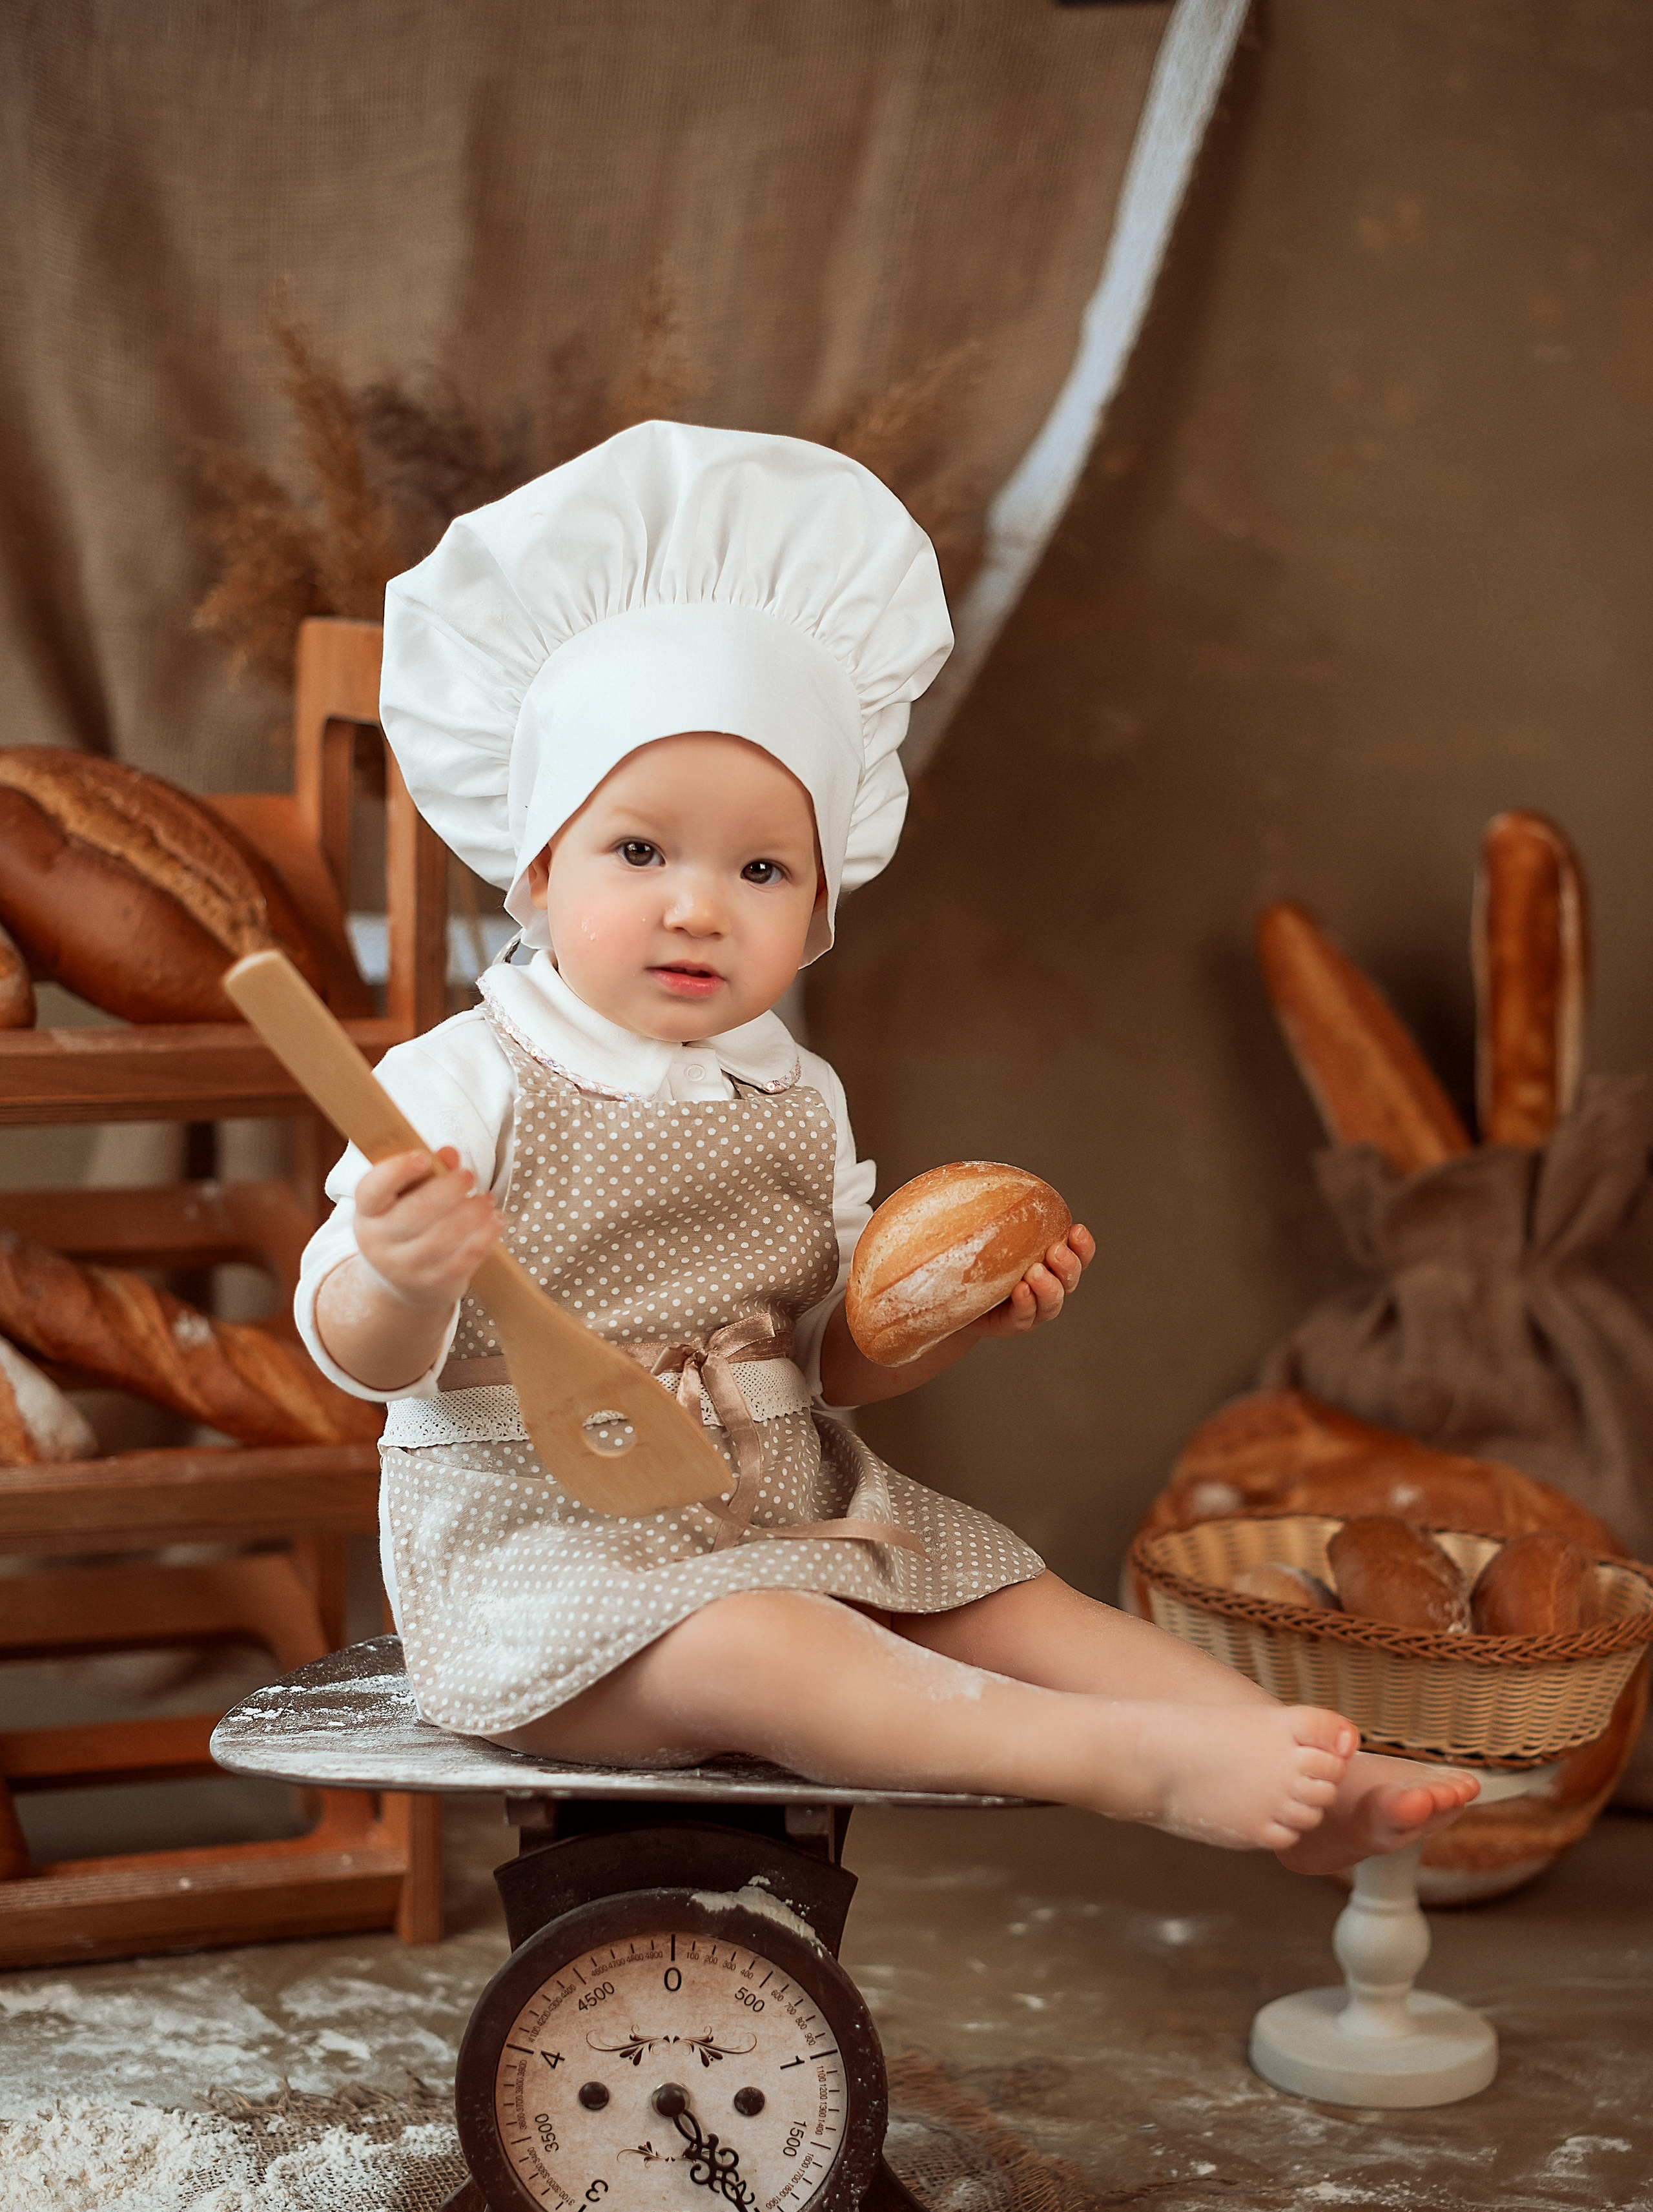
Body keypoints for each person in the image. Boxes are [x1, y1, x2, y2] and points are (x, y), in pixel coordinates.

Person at [296, 422, 1476, 1870]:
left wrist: (940, 1326)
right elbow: (354, 1349)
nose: (697, 906)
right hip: (550, 1565)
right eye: (640, 850)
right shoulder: (466, 1076)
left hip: (779, 1507)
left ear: (820, 902)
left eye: (761, 868)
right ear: (537, 865)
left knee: (1016, 1602)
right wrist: (401, 1278)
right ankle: (1122, 1764)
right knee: (770, 1653)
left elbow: (828, 1366)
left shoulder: (795, 1094)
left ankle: (1289, 1760)